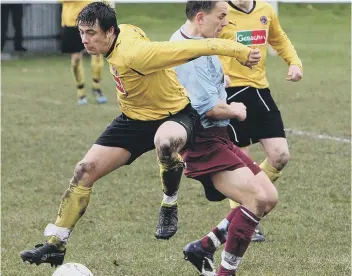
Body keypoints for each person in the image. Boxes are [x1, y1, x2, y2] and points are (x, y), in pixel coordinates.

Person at [19, 1, 261, 267]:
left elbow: (197, 47)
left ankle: (169, 203)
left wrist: (240, 51)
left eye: (91, 33)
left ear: (110, 32)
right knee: (84, 170)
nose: (85, 40)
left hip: (175, 114)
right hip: (133, 119)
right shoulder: (118, 33)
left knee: (166, 142)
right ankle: (56, 245)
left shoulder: (136, 54)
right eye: (82, 33)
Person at [170, 2, 278, 275]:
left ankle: (204, 246)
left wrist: (221, 79)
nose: (225, 23)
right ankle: (224, 273)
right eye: (222, 17)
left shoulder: (200, 41)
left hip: (217, 136)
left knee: (269, 197)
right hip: (203, 141)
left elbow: (205, 84)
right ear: (201, 17)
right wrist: (236, 110)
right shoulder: (189, 52)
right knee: (255, 199)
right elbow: (208, 107)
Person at [220, 0, 303, 242]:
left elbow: (279, 39)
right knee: (240, 164)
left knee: (280, 155)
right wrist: (218, 71)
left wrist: (294, 62)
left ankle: (244, 211)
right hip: (230, 92)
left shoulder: (266, 10)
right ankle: (247, 218)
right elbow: (205, 45)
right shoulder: (220, 10)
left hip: (259, 91)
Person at [60, 0, 107, 105]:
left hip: (92, 21)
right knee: (76, 58)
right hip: (72, 23)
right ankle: (81, 92)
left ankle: (97, 87)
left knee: (97, 55)